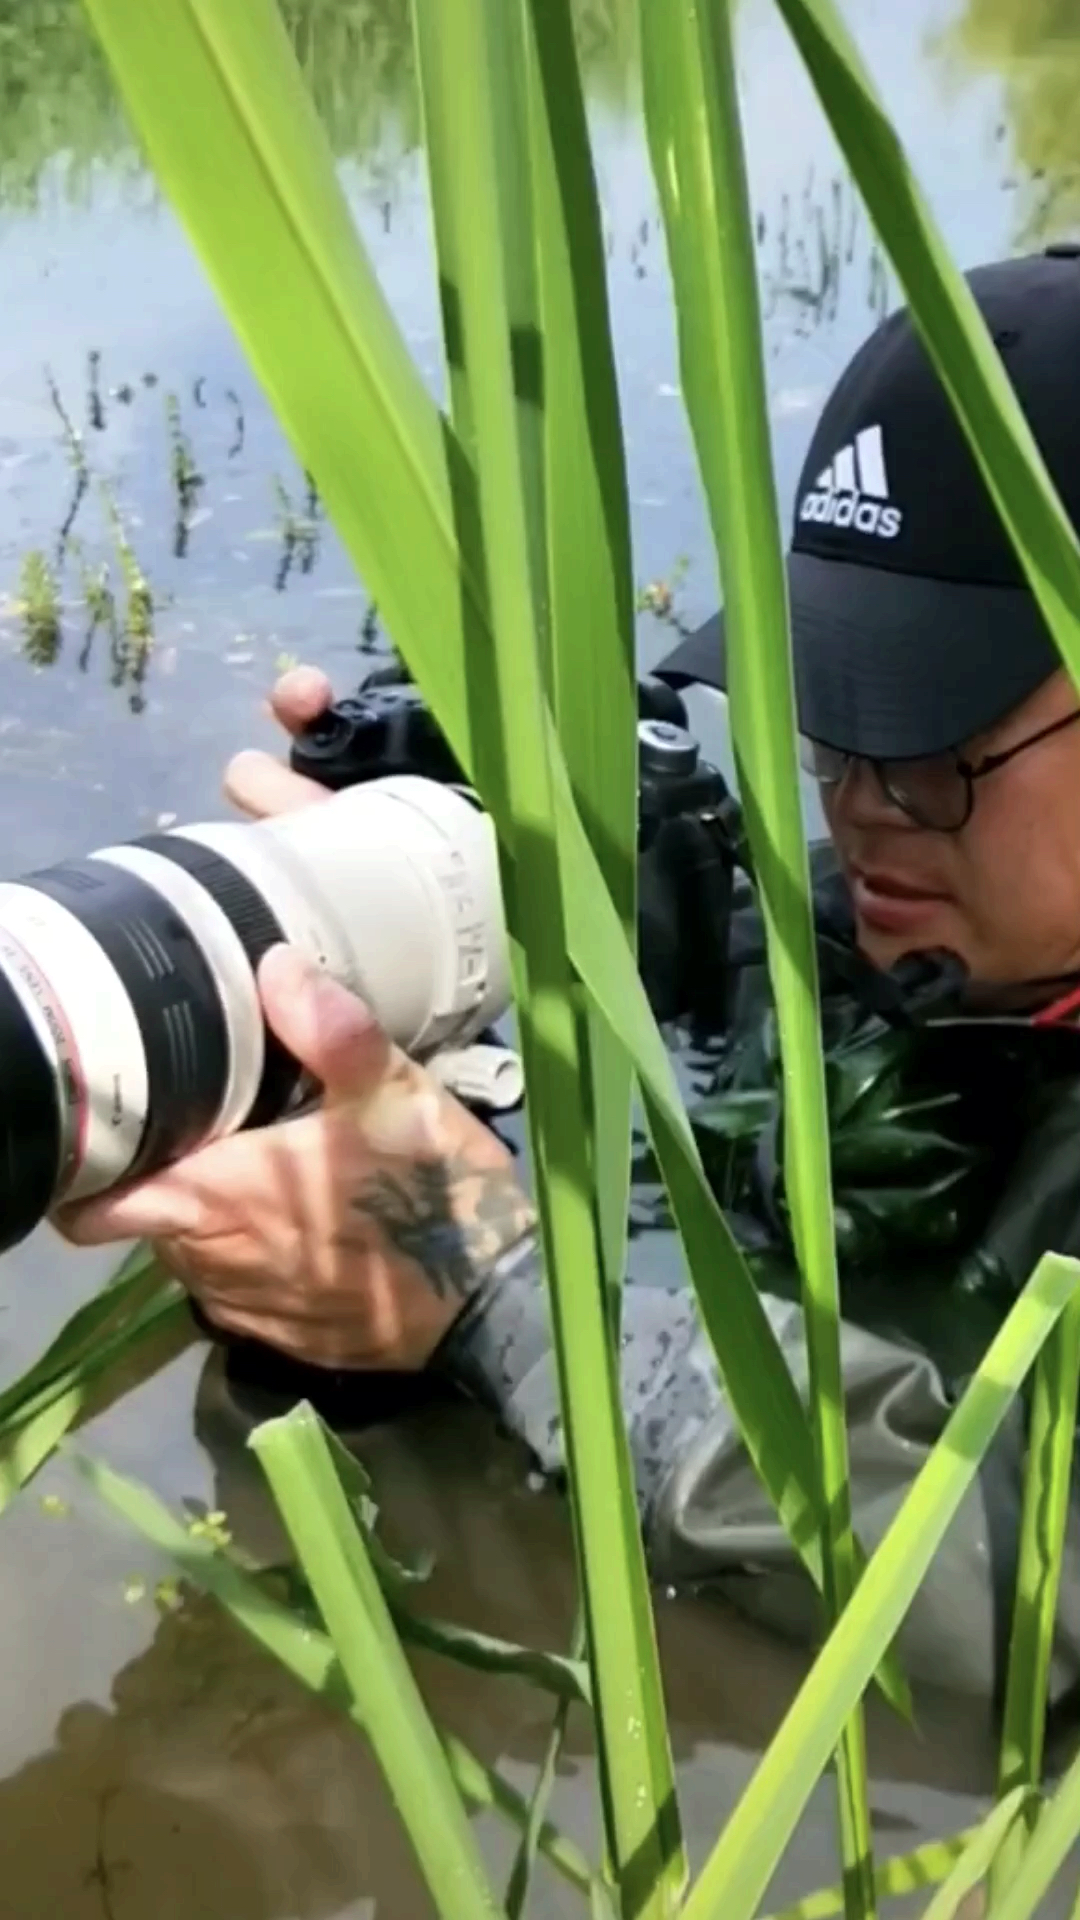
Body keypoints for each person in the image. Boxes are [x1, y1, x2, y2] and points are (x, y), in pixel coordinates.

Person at [55, 246, 1080, 1704]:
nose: (855, 801)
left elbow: (1046, 1602)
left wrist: (502, 1293)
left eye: (929, 738)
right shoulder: (852, 938)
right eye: (823, 712)